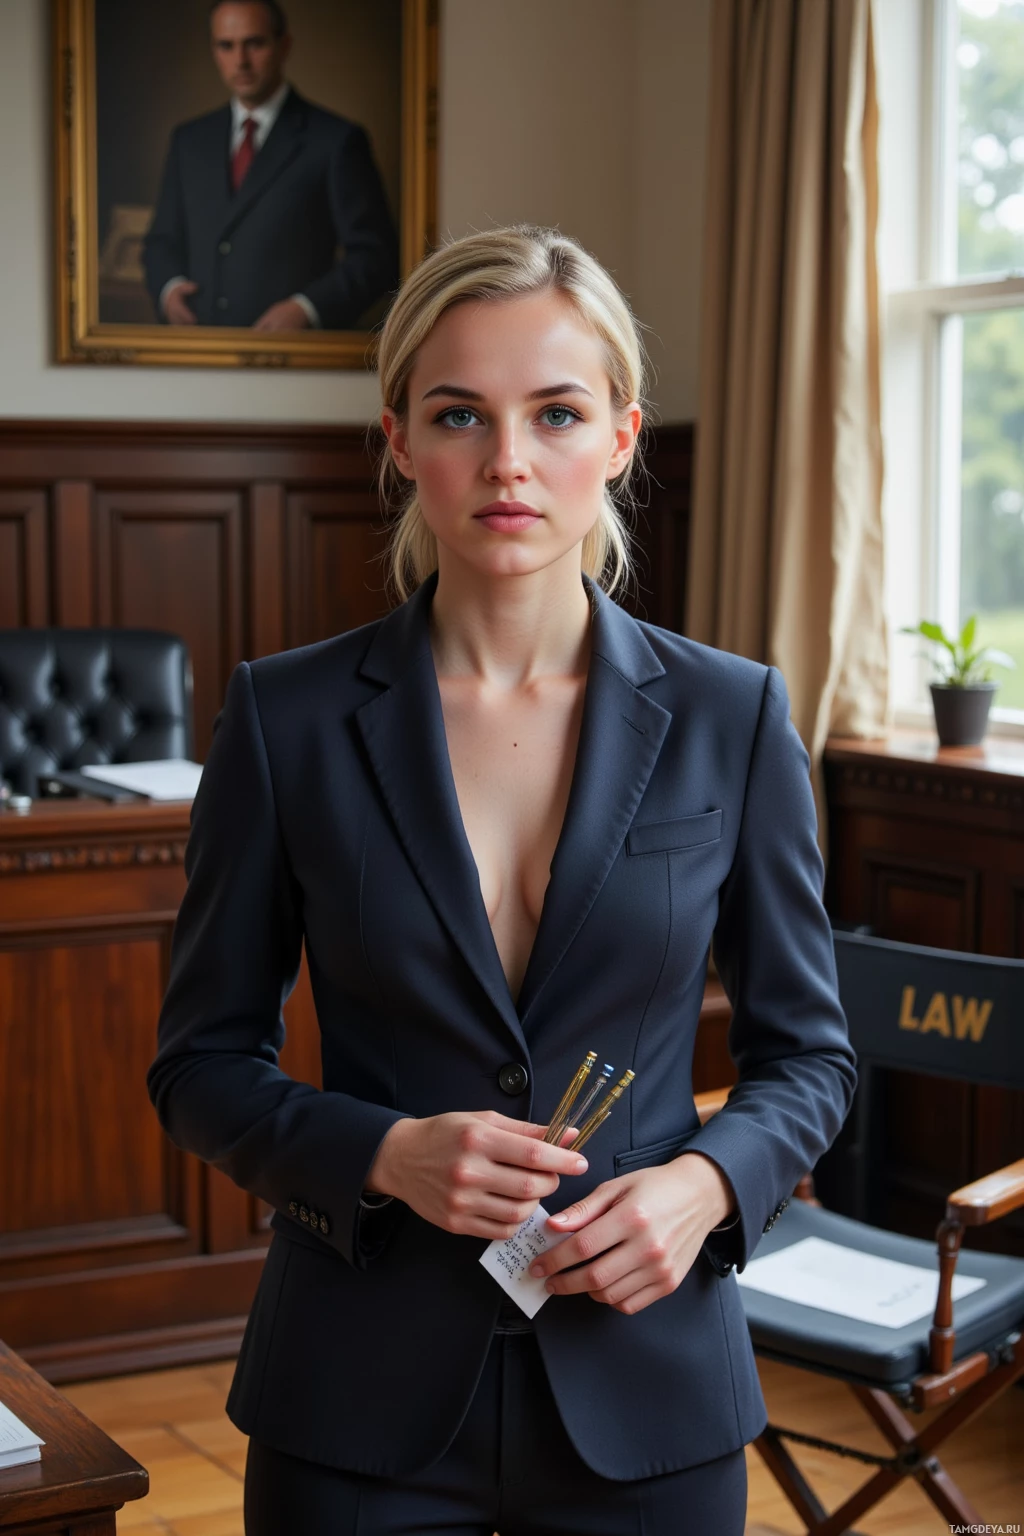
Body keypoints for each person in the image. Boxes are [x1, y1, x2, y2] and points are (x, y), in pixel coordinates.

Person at [148, 225, 857, 1534]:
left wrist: (704, 1188)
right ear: (402, 438)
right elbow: (198, 1067)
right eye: (461, 414)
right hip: (353, 1398)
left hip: (650, 1389)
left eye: (558, 413)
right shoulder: (284, 720)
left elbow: (809, 1059)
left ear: (624, 438)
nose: (510, 462)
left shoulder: (735, 719)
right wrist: (386, 1151)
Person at [142, 0, 398, 331]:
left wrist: (307, 309)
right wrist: (169, 290)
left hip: (293, 362)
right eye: (226, 46)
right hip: (198, 353)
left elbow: (376, 257)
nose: (241, 61)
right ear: (213, 50)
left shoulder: (336, 139)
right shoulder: (188, 140)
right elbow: (161, 241)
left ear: (284, 45)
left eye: (255, 43)